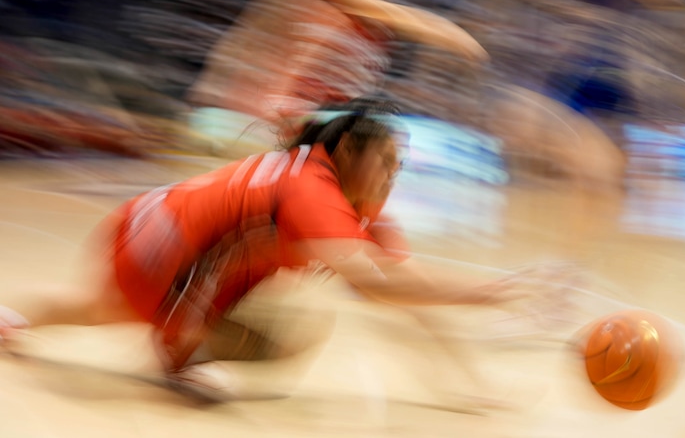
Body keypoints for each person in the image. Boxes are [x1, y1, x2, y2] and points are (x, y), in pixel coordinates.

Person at [0, 97, 539, 401]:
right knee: (282, 340)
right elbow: (382, 285)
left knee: (104, 308)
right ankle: (177, 351)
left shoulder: (344, 196)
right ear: (349, 149)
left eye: (400, 168)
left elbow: (406, 295)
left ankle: (12, 319)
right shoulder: (313, 191)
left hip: (147, 225)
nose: (394, 177)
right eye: (387, 162)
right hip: (163, 254)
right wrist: (493, 293)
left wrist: (468, 386)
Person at [186, 0, 488, 152]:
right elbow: (231, 59)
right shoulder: (298, 4)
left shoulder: (373, 39)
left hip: (295, 137)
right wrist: (448, 32)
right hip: (252, 129)